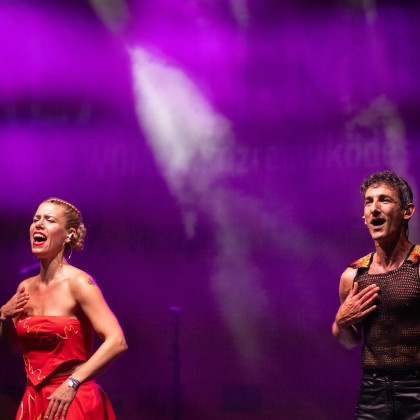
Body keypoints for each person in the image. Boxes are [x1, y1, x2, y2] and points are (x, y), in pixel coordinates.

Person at [0, 198, 127, 420]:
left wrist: (72, 382)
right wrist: (3, 316)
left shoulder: (79, 283)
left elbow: (117, 341)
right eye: (36, 219)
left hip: (71, 398)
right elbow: (10, 346)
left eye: (49, 220)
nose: (39, 224)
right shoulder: (25, 287)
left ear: (69, 235)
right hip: (33, 400)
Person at [332, 170, 420, 419]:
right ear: (364, 217)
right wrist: (341, 322)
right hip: (373, 392)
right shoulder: (353, 276)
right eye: (369, 202)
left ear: (407, 211)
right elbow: (349, 341)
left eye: (384, 200)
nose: (374, 208)